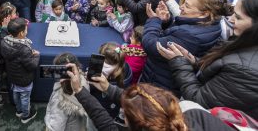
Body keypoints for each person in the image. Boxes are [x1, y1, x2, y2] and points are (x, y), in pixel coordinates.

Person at [157, 0, 258, 120]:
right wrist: (194, 61)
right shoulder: (244, 41)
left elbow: (200, 101)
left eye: (238, 17)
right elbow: (221, 68)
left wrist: (179, 62)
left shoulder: (247, 71)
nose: (230, 20)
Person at [66, 65, 235, 131]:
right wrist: (108, 88)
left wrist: (80, 91)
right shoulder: (194, 113)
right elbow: (142, 103)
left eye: (125, 113)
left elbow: (106, 124)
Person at [142, 0, 233, 96]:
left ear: (205, 13)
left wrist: (154, 20)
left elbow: (150, 44)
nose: (181, 7)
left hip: (160, 83)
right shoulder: (211, 24)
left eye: (187, 6)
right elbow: (178, 30)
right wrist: (167, 20)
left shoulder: (190, 35)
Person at [0, 18, 40, 124]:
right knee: (25, 98)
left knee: (16, 93)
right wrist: (36, 56)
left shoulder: (4, 41)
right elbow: (32, 66)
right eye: (26, 30)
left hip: (12, 77)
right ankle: (26, 116)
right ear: (22, 33)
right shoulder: (24, 49)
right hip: (24, 79)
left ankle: (18, 111)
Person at [44, 53, 89, 131]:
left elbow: (55, 128)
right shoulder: (84, 80)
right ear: (77, 67)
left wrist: (48, 123)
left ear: (58, 72)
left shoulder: (59, 99)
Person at [89, 43, 132, 124]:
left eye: (107, 67)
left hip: (109, 114)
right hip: (94, 110)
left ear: (119, 66)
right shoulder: (96, 67)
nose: (102, 70)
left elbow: (123, 98)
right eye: (102, 64)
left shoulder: (123, 80)